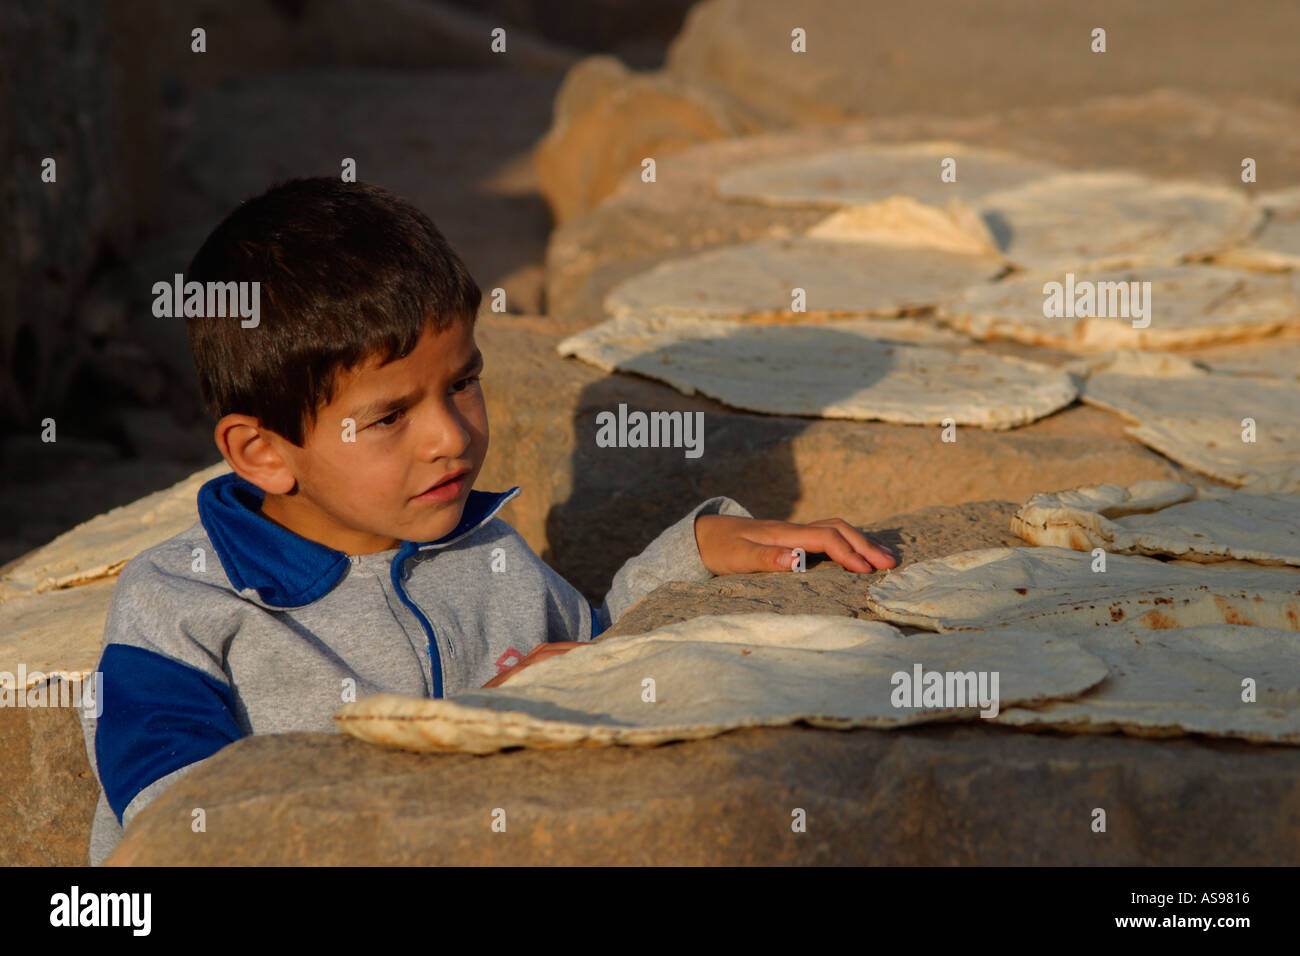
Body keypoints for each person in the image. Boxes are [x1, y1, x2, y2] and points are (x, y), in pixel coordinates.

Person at [81, 178, 896, 864]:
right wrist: (449, 736)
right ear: (262, 453)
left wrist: (688, 559)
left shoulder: (483, 552)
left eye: (462, 383)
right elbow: (182, 825)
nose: (451, 436)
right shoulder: (178, 610)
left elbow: (584, 658)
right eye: (392, 415)